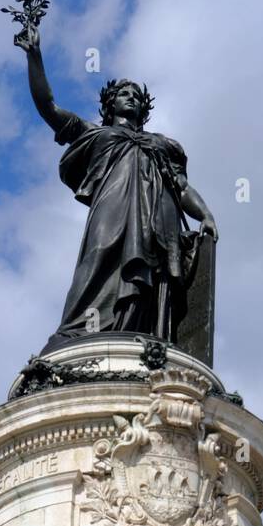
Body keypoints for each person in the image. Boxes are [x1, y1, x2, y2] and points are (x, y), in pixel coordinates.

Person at [17, 24, 218, 350]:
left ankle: (139, 336)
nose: (132, 99)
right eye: (125, 94)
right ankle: (81, 335)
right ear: (109, 104)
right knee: (100, 261)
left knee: (152, 278)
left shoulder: (163, 144)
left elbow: (181, 188)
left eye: (137, 96)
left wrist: (206, 214)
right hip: (113, 210)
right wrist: (34, 56)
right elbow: (48, 107)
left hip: (159, 219)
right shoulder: (94, 134)